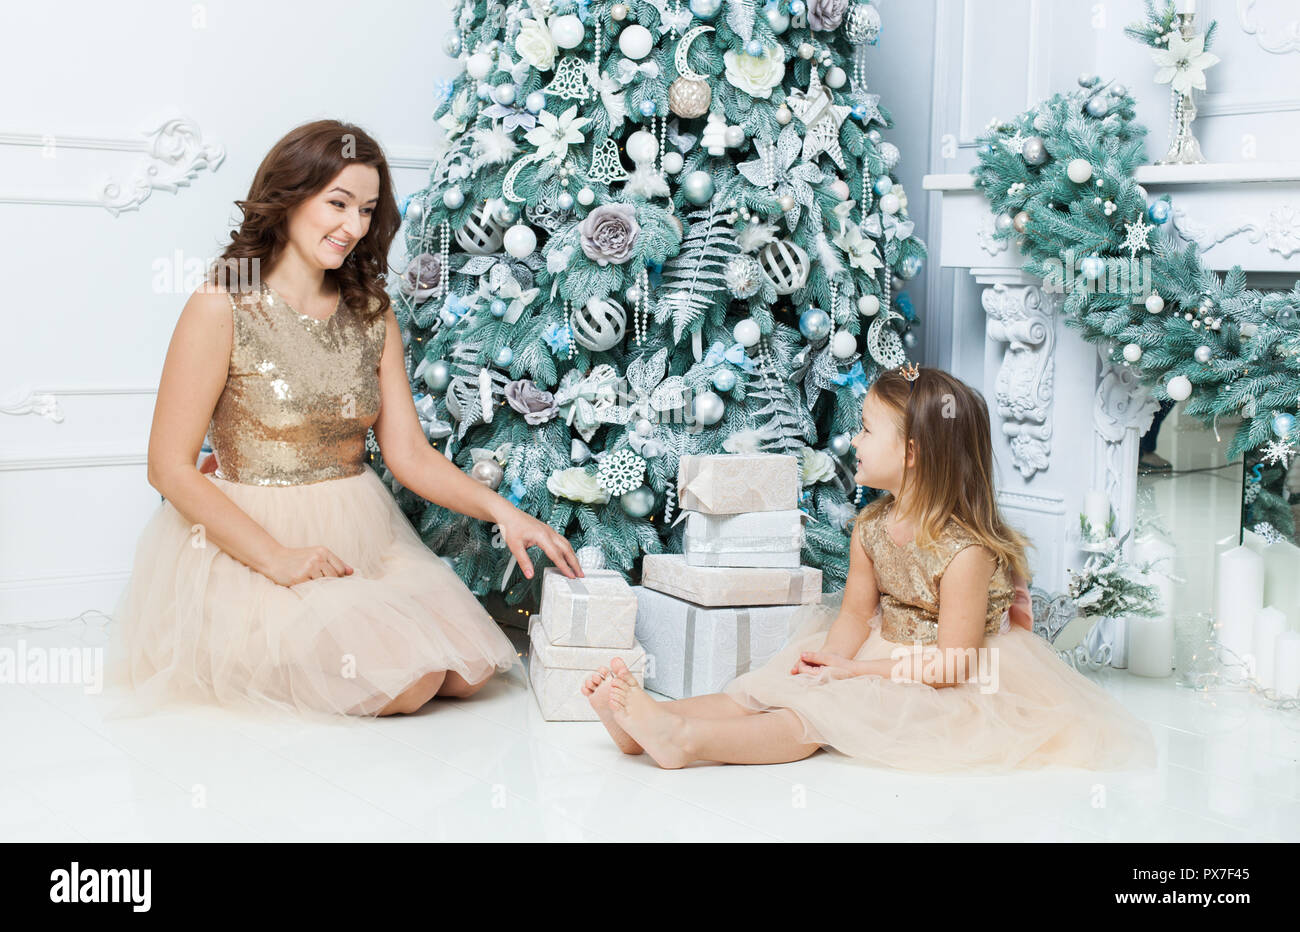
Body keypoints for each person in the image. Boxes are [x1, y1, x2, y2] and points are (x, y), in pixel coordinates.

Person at [106, 120, 582, 720]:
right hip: (256, 538)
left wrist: (505, 513)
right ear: (289, 197)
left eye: (366, 210)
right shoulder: (220, 304)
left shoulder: (370, 314)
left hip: (360, 530)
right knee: (402, 685)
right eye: (338, 203)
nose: (353, 227)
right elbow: (169, 468)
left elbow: (406, 453)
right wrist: (278, 558)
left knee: (466, 671)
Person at [583, 365, 1157, 772]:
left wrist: (851, 677)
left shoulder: (966, 552)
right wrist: (828, 660)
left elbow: (954, 664)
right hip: (882, 652)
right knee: (769, 687)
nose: (852, 441)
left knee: (809, 724)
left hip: (941, 678)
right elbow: (857, 613)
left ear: (912, 454)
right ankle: (651, 722)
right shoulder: (872, 527)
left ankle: (682, 741)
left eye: (865, 429)